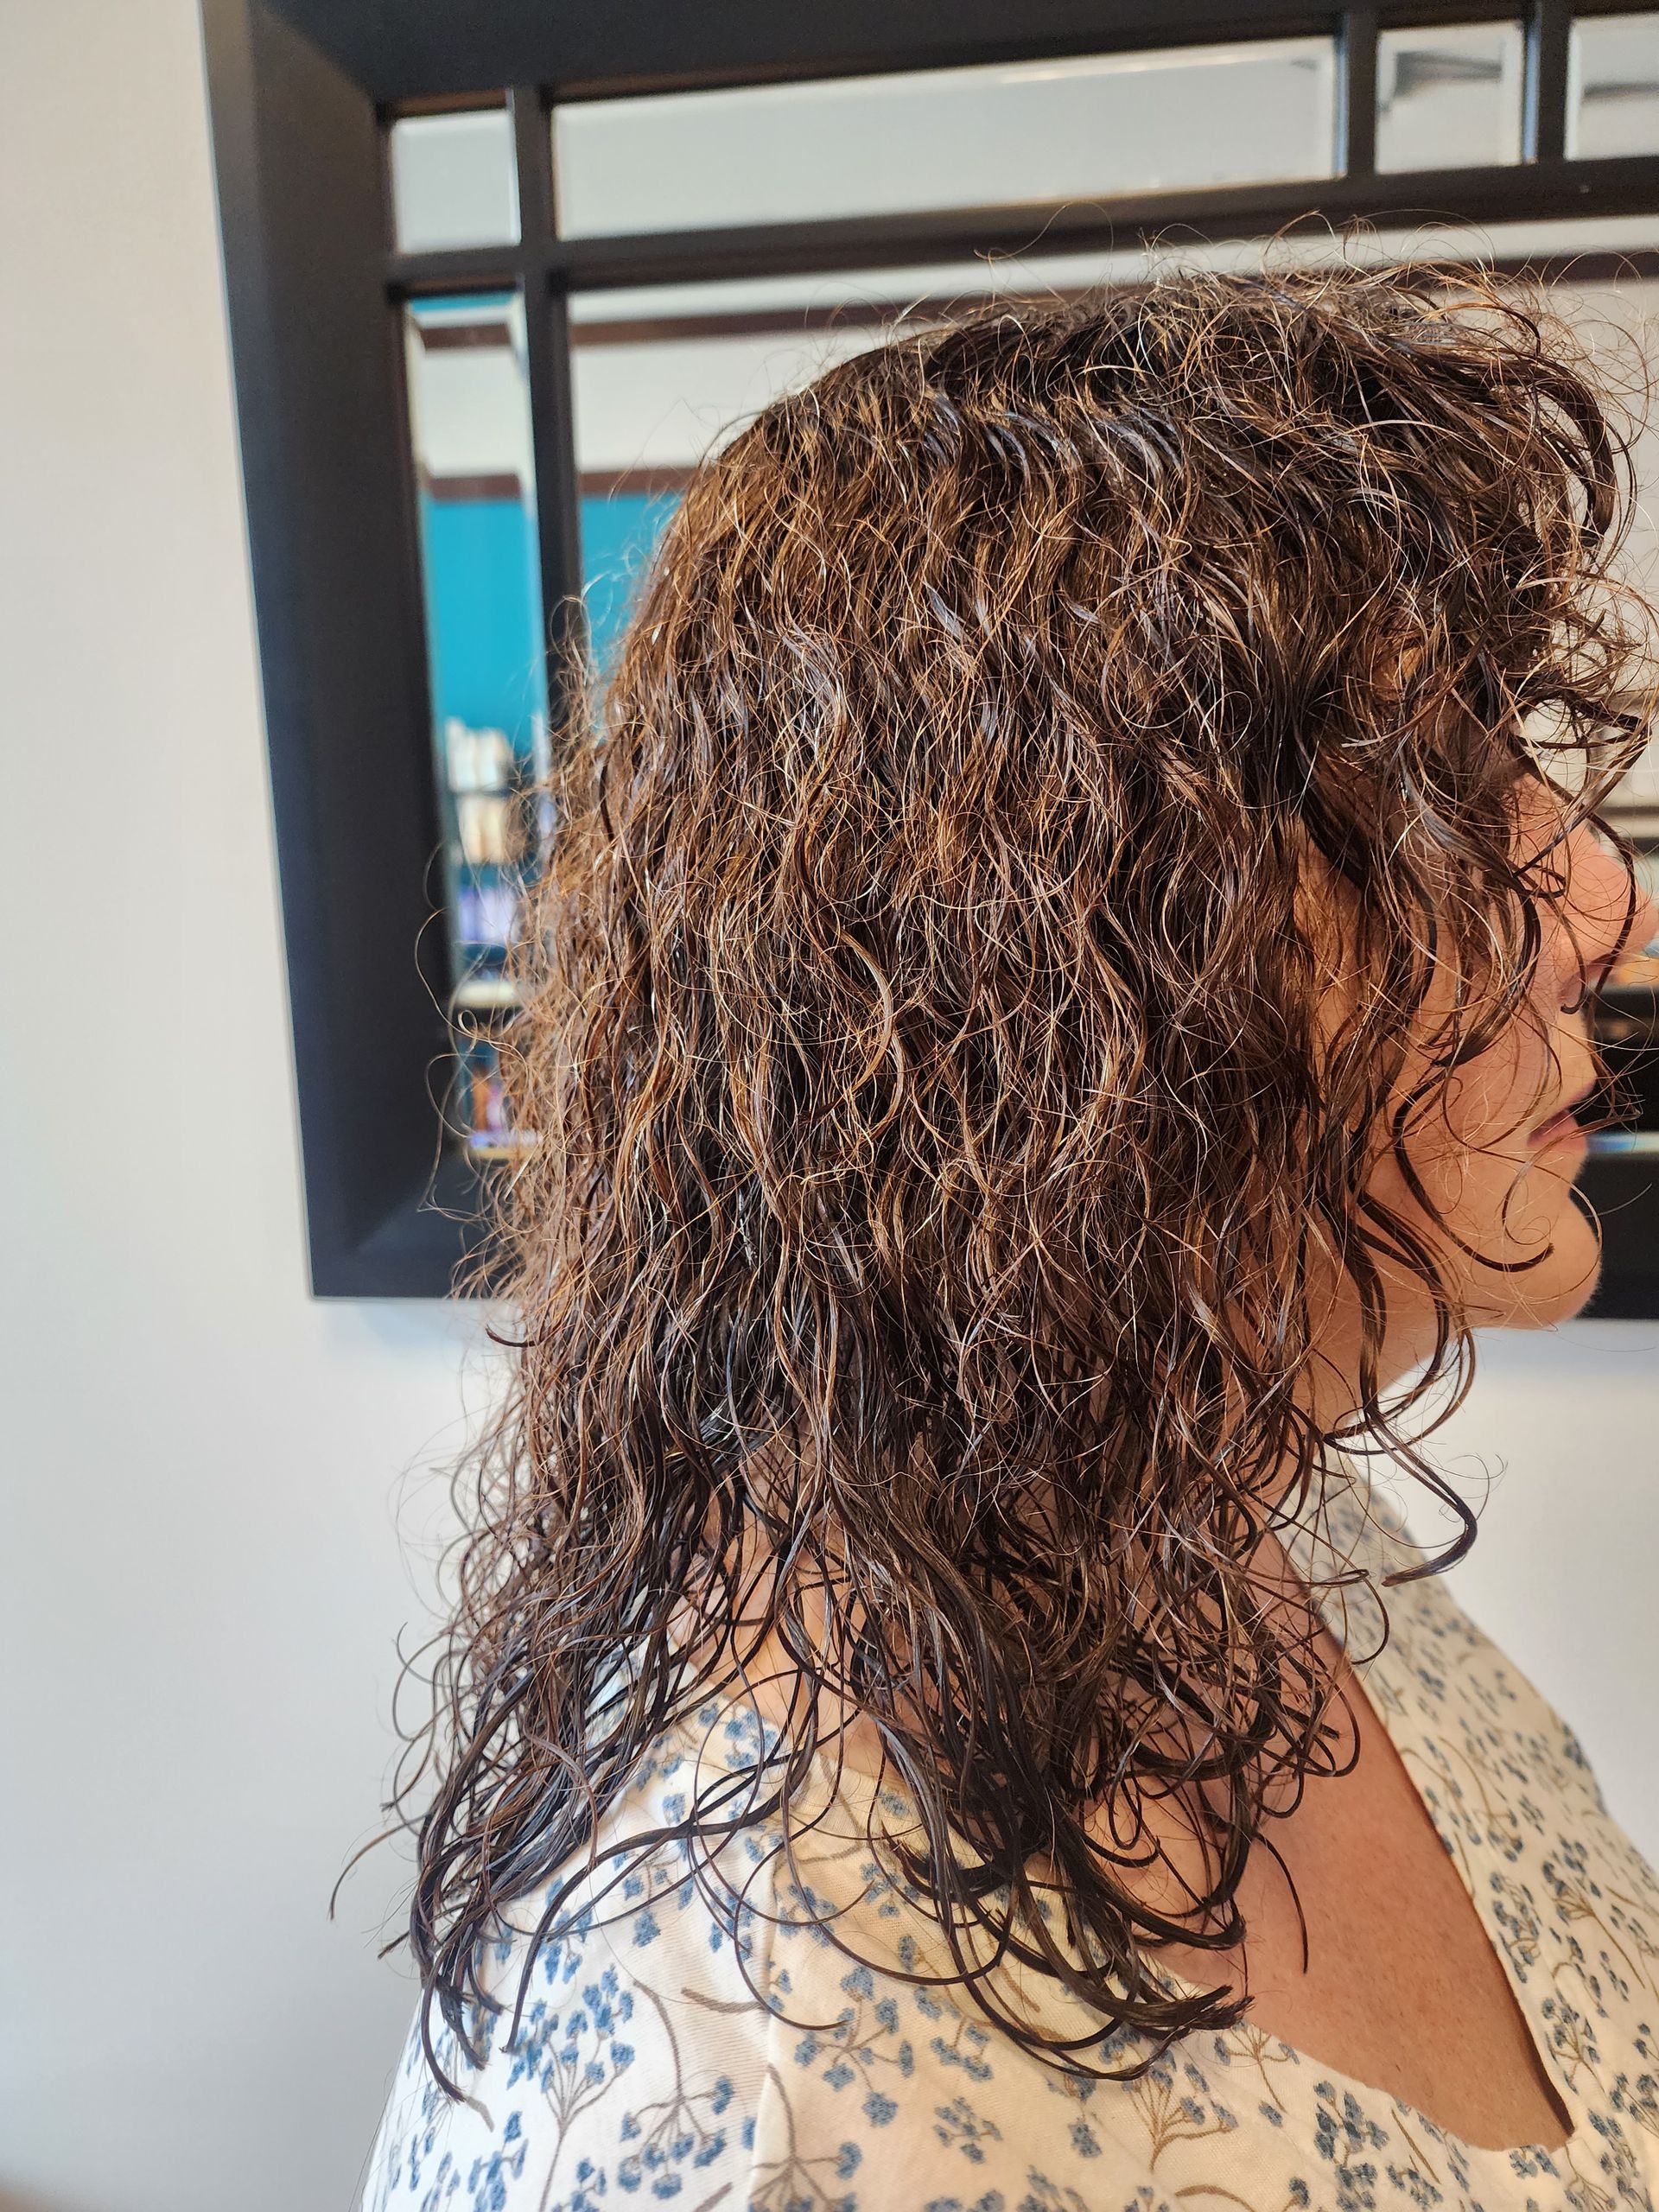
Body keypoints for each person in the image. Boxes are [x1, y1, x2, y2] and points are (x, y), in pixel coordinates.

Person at [361, 259, 1659, 2212]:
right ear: (1054, 983)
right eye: (1427, 792)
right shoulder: (739, 2108)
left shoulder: (1237, 1503)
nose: (1605, 904)